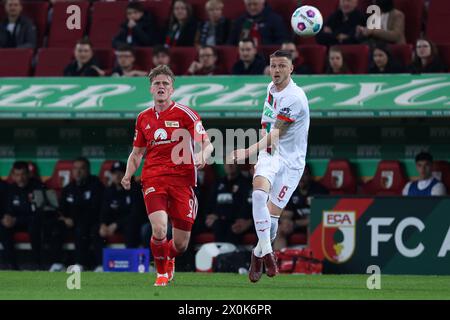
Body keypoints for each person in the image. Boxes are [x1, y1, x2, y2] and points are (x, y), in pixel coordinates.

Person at [121, 65, 214, 286]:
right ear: (150, 89)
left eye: (165, 84)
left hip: (182, 181)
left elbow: (207, 143)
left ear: (172, 89)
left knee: (181, 244)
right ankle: (161, 273)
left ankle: (168, 257)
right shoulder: (143, 118)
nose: (161, 87)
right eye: (157, 84)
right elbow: (136, 154)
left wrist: (203, 154)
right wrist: (127, 175)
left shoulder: (186, 114)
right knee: (160, 227)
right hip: (153, 178)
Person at [230, 49, 310, 282]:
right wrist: (259, 153)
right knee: (257, 195)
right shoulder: (270, 89)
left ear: (291, 68)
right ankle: (268, 253)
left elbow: (276, 133)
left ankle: (257, 252)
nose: (276, 70)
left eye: (281, 66)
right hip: (270, 155)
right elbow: (268, 128)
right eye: (273, 66)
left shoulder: (295, 97)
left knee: (272, 219)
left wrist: (247, 151)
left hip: (292, 162)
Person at [59, 157, 104, 271]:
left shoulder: (96, 185)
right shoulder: (68, 188)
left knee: (82, 227)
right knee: (55, 227)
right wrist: (64, 219)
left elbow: (95, 209)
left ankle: (82, 263)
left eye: (82, 169)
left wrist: (74, 219)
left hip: (90, 222)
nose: (78, 172)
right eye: (75, 169)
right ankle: (56, 263)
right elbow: (61, 210)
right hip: (71, 222)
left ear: (88, 170)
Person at [95, 161, 142, 269]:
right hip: (112, 226)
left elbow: (135, 213)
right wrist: (103, 224)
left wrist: (116, 224)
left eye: (121, 172)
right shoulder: (109, 191)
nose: (118, 175)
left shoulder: (135, 189)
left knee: (131, 227)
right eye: (115, 173)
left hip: (128, 224)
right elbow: (103, 211)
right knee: (96, 230)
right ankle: (100, 265)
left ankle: (132, 263)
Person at [0, 161, 44, 270]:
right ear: (13, 176)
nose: (21, 178)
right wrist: (5, 218)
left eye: (23, 174)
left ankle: (38, 265)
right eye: (17, 175)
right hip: (16, 222)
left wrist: (16, 220)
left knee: (35, 226)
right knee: (3, 228)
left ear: (29, 174)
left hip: (33, 221)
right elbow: (7, 209)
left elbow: (39, 213)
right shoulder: (10, 189)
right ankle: (13, 267)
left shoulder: (38, 188)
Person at [274, 164, 328, 250]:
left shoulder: (320, 190)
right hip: (296, 225)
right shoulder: (292, 190)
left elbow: (320, 218)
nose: (301, 178)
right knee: (281, 229)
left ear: (310, 176)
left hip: (314, 225)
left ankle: (309, 260)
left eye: (304, 175)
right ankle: (279, 259)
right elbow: (287, 213)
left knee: (312, 227)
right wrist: (286, 221)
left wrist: (296, 223)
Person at [205, 163, 253, 244]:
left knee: (233, 227)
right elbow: (209, 206)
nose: (229, 165)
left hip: (237, 222)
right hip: (219, 222)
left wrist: (248, 222)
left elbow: (245, 208)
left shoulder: (246, 184)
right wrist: (208, 216)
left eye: (232, 163)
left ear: (238, 164)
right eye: (227, 163)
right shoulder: (217, 184)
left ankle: (230, 255)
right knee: (218, 225)